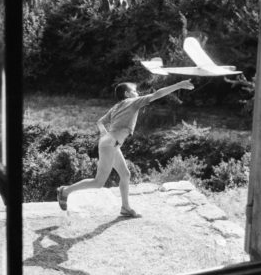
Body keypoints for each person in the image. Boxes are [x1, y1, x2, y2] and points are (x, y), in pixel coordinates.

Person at [57, 79, 194, 216]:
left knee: (125, 174)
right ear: (128, 94)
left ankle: (125, 207)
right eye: (135, 91)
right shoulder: (133, 102)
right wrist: (178, 85)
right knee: (98, 182)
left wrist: (105, 134)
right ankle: (65, 191)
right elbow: (157, 94)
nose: (138, 93)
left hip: (111, 143)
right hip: (110, 144)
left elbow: (100, 122)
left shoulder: (117, 106)